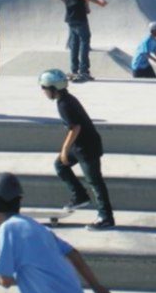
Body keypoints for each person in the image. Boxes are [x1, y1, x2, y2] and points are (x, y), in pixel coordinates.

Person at [0, 172, 116, 293]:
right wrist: (97, 288)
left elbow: (5, 281)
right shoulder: (36, 226)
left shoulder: (8, 229)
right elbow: (73, 253)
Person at [38, 70, 115, 229]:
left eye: (44, 87)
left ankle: (106, 217)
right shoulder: (65, 99)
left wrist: (65, 149)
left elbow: (75, 128)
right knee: (60, 166)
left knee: (95, 181)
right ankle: (79, 196)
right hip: (80, 146)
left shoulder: (65, 104)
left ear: (54, 88)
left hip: (87, 147)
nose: (43, 91)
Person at [50, 0, 108, 83]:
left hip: (70, 16)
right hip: (79, 16)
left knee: (74, 43)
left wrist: (64, 1)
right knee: (84, 41)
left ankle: (74, 70)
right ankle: (83, 71)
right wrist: (98, 2)